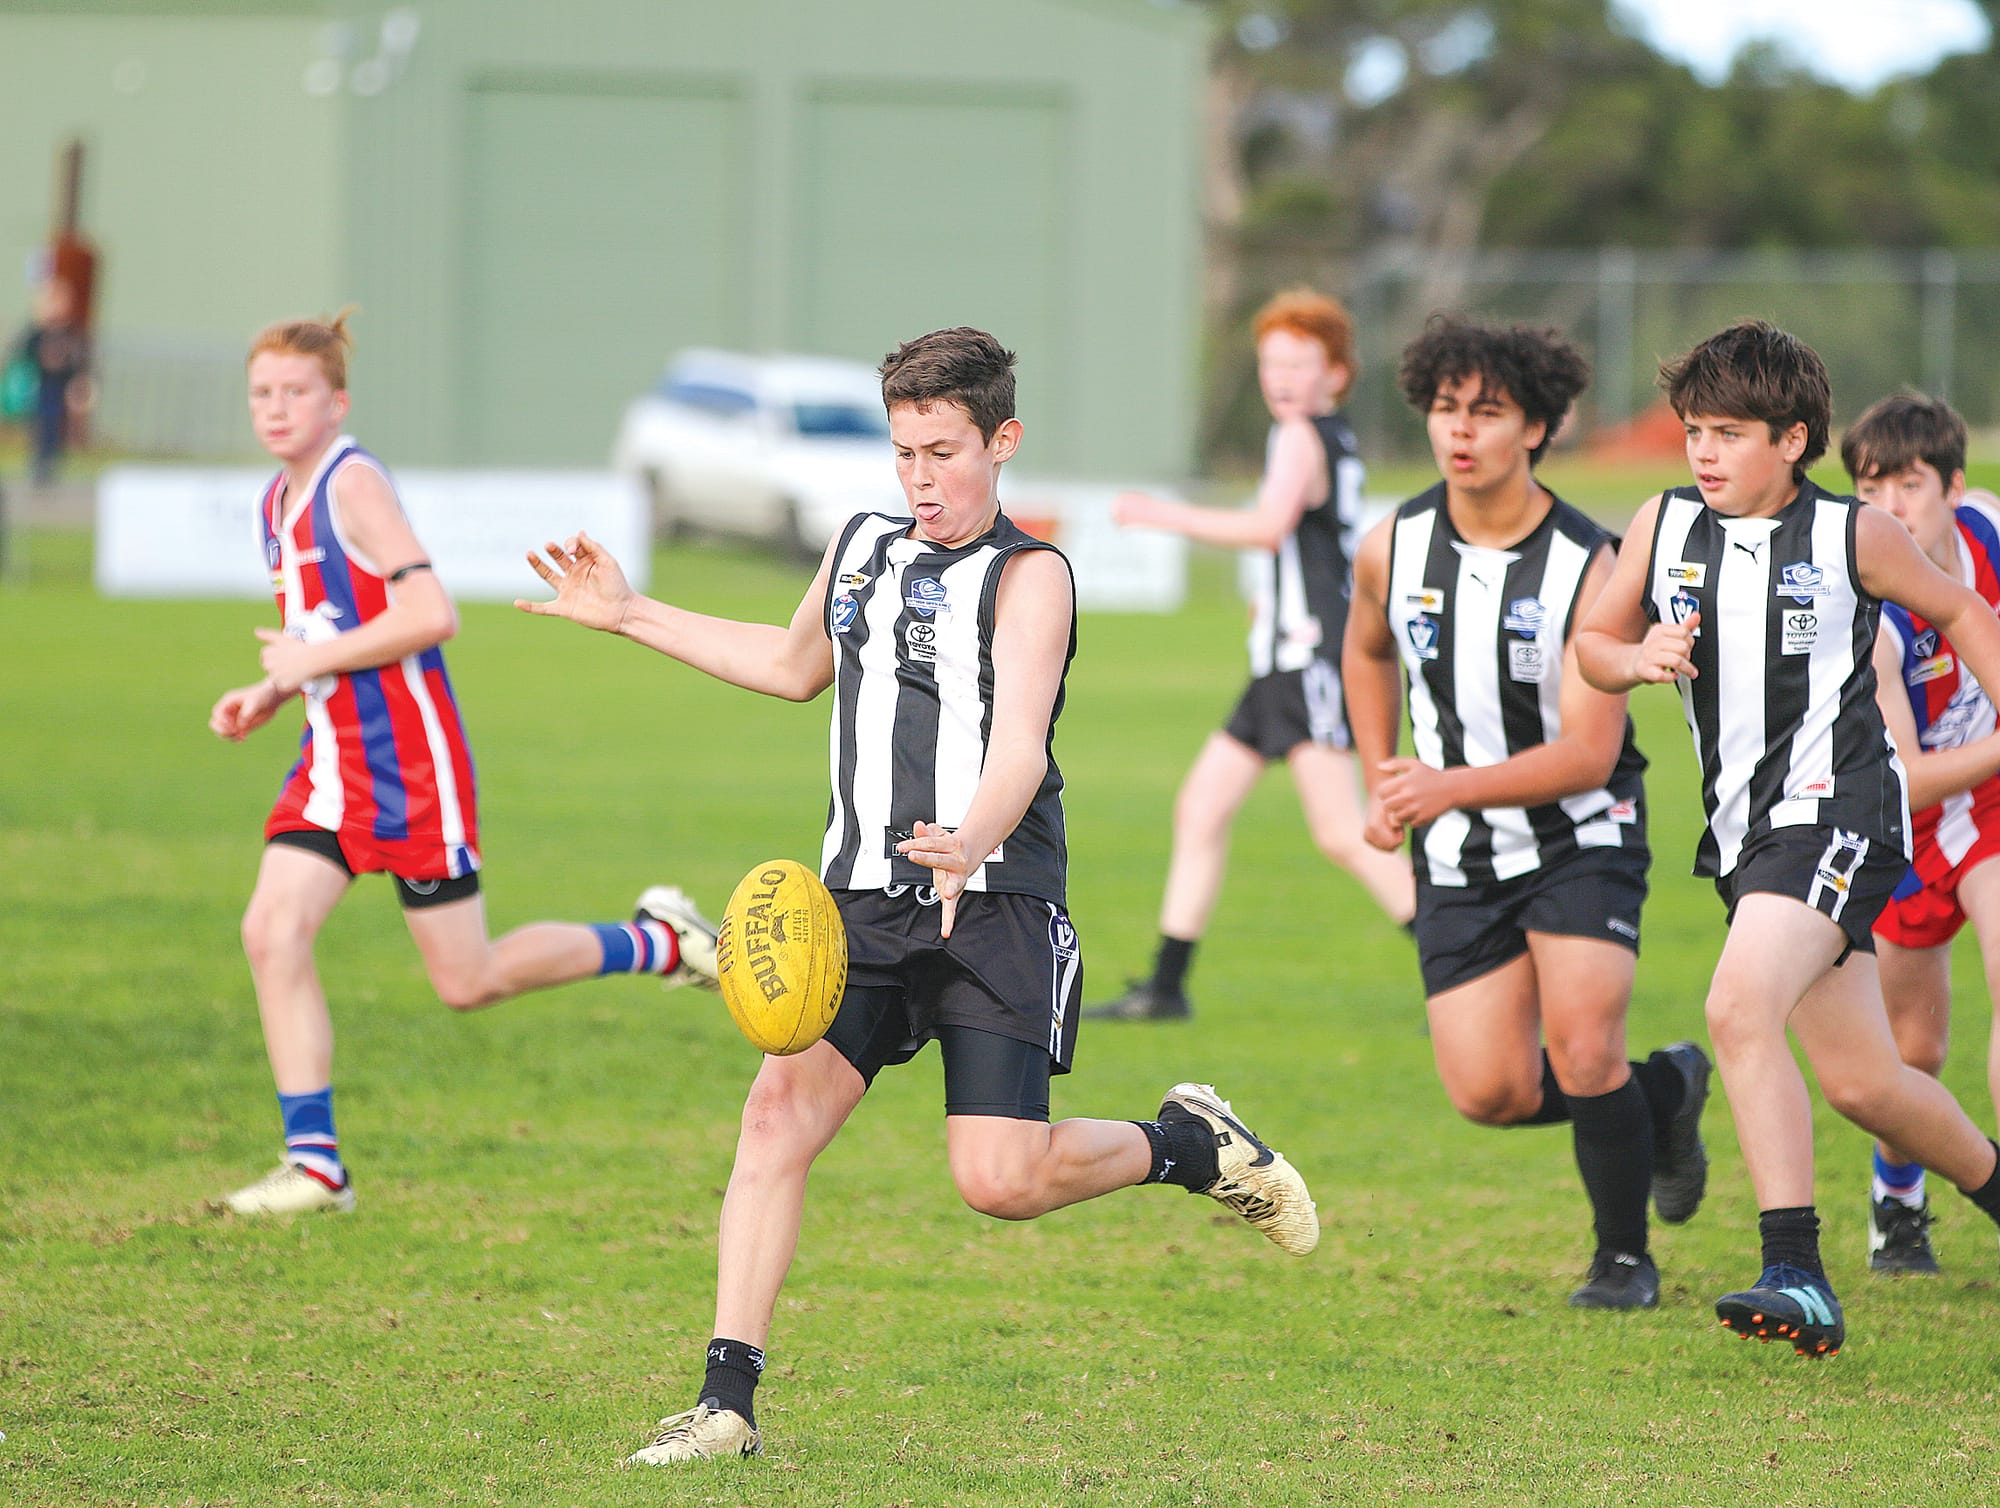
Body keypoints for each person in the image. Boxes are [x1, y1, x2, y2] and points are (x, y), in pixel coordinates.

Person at [517, 326, 1319, 1467]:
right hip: (857, 905)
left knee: (1000, 1178)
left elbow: (1021, 741)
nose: (920, 478)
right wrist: (634, 612)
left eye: (942, 451)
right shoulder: (858, 547)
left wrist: (968, 838)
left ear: (1002, 440)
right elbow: (794, 666)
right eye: (902, 453)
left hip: (992, 902)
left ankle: (1192, 1144)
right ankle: (724, 1400)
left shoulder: (1031, 573)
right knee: (771, 1120)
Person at [208, 311, 718, 1218]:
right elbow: (323, 632)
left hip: (408, 767)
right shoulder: (273, 505)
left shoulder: (352, 483)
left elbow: (430, 612)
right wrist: (271, 690)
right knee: (269, 932)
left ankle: (661, 940)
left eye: (296, 392)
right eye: (262, 392)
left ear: (337, 402)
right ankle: (316, 1166)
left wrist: (306, 664)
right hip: (332, 761)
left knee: (467, 980)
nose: (277, 408)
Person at [1575, 320, 2000, 1357]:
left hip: (1840, 807)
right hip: (1744, 831)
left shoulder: (1853, 535)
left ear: (1792, 437)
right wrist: (1632, 656)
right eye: (1691, 430)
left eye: (1727, 431)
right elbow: (1588, 641)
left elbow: (1958, 606)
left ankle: (1794, 1268)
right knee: (1864, 1082)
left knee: (1734, 1003)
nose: (1702, 452)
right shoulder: (1661, 523)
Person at [1341, 316, 1709, 1311]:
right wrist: (1383, 773)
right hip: (1460, 848)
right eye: (1445, 408)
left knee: (1582, 1044)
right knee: (1487, 1092)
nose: (1459, 431)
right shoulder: (1391, 542)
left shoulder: (1590, 566)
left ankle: (1622, 1258)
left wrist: (1438, 786)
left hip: (1579, 832)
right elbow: (1365, 651)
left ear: (1538, 426)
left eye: (1488, 412)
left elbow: (1588, 751)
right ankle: (1666, 1091)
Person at [1084, 289, 1414, 1022]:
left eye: (1300, 361)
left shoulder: (1302, 436)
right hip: (1280, 664)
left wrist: (1155, 513)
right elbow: (1307, 543)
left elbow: (1269, 528)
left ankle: (1466, 974)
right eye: (1271, 361)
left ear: (1336, 372)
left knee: (1342, 832)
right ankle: (1166, 987)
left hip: (1311, 663)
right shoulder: (1322, 434)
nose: (1282, 376)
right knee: (1200, 808)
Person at [1839, 393, 2000, 1273]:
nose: (1892, 508)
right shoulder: (1873, 625)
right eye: (1872, 490)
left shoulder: (1990, 536)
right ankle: (1897, 1198)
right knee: (1915, 1049)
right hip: (1904, 825)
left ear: (1954, 488)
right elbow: (1903, 777)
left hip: (1992, 810)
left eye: (1910, 485)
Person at [11, 276, 91, 486]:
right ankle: (39, 462)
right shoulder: (38, 333)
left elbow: (78, 359)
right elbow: (24, 352)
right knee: (40, 422)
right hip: (40, 385)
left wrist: (78, 380)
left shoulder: (69, 332)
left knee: (56, 423)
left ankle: (51, 461)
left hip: (61, 386)